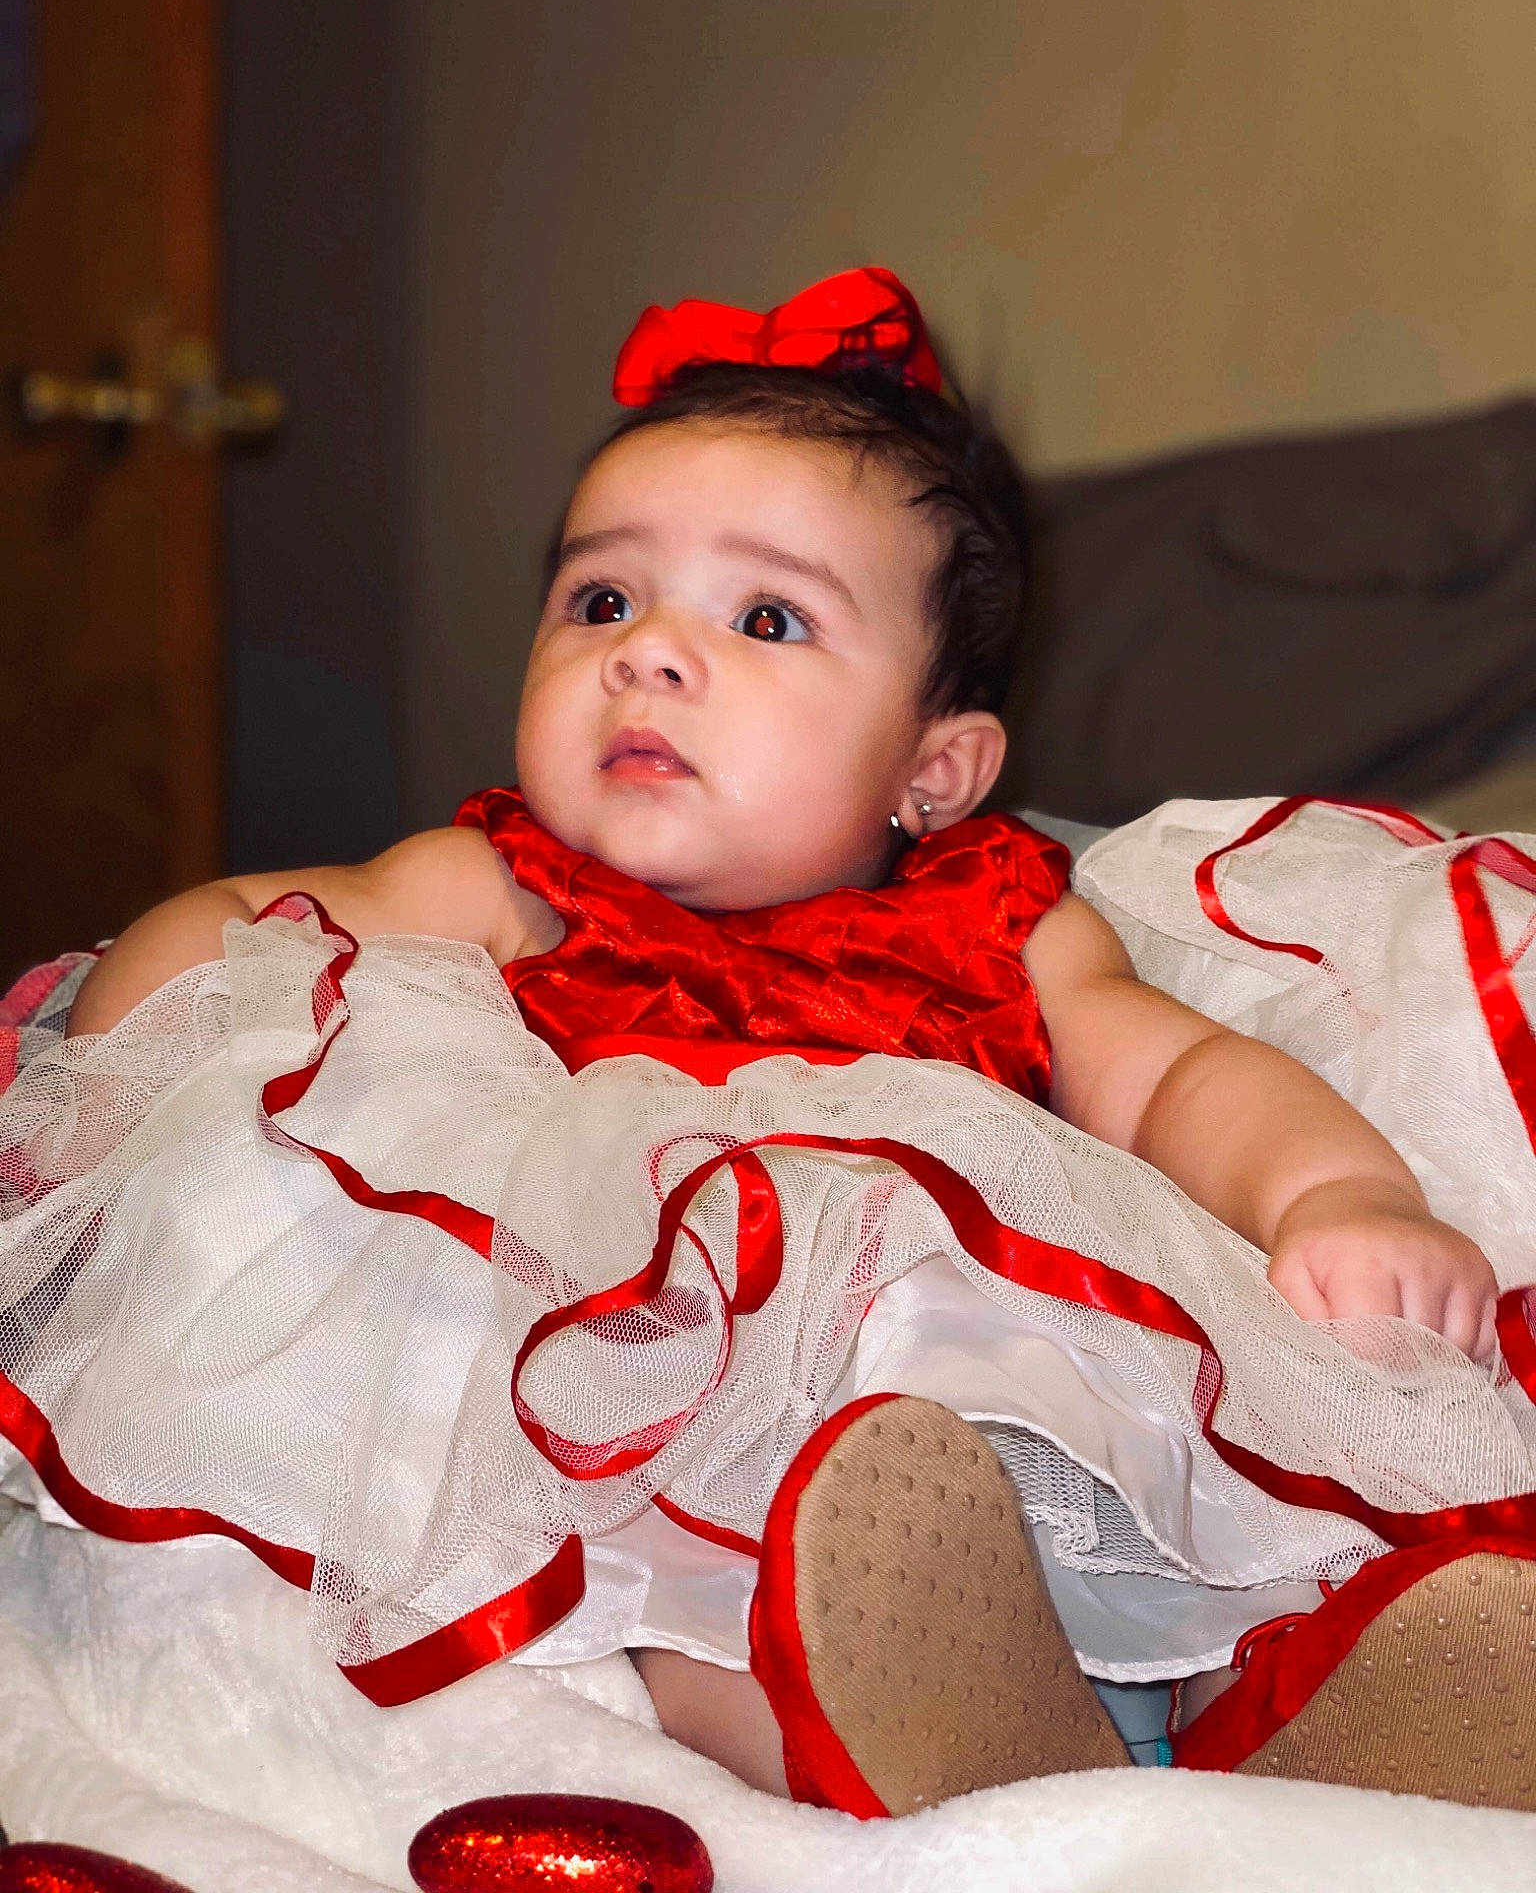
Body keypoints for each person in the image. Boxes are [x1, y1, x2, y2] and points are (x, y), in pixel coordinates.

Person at [12, 268, 1536, 1820]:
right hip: (663, 1425)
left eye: (765, 618)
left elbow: (1181, 1076)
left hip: (1004, 1409)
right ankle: (899, 1745)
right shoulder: (505, 888)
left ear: (935, 771)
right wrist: (106, 1080)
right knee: (697, 1574)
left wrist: (1335, 1198)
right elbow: (262, 926)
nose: (648, 654)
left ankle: (1306, 1708)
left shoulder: (1001, 919)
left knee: (1242, 1504)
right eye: (603, 601)